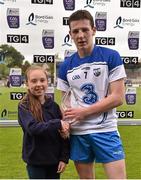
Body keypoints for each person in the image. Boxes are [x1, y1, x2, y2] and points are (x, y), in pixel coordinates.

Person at [57, 10, 126, 179]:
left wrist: (84, 112)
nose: (80, 35)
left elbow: (118, 97)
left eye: (84, 30)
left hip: (105, 130)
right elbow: (65, 102)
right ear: (70, 34)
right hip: (79, 133)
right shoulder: (66, 66)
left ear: (94, 30)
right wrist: (66, 120)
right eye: (75, 31)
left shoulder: (111, 56)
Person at [18, 65, 70, 179]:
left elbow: (64, 136)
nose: (38, 84)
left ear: (47, 82)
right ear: (27, 83)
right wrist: (58, 123)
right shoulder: (24, 106)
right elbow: (32, 128)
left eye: (42, 80)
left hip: (54, 162)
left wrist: (63, 158)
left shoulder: (54, 106)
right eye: (33, 81)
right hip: (35, 162)